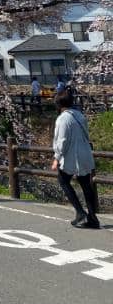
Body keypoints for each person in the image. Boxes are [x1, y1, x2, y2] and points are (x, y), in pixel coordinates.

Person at [51, 89, 99, 229]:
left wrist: (56, 158)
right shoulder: (79, 115)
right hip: (85, 153)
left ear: (58, 104)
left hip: (73, 155)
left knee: (63, 180)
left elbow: (62, 141)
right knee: (85, 184)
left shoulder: (63, 118)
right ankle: (92, 217)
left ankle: (80, 212)